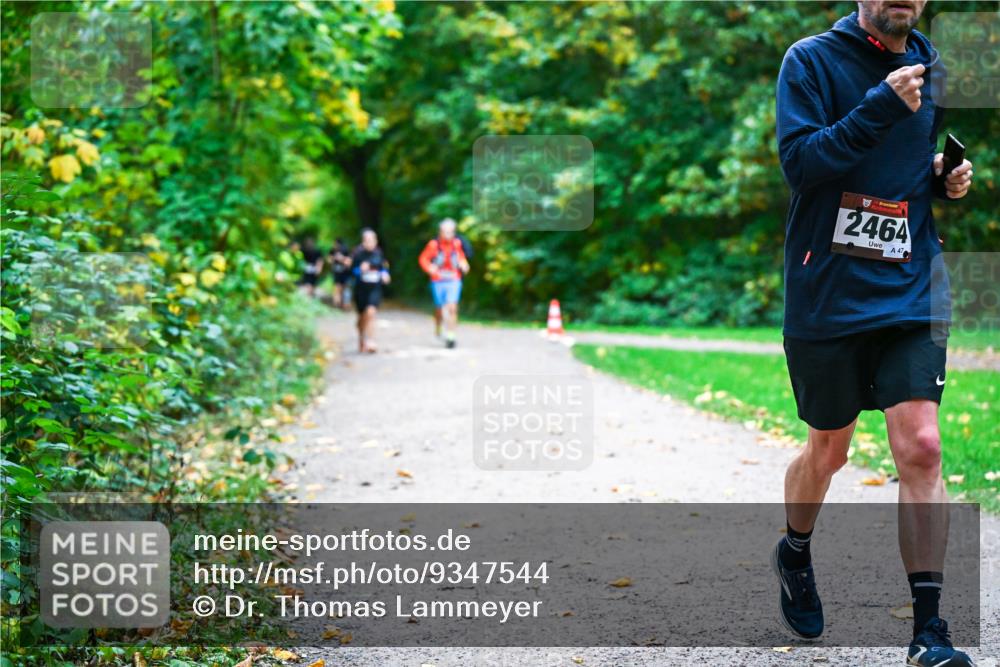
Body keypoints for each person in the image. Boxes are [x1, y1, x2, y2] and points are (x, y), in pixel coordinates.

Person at [773, 2, 974, 665]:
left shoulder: (931, 66)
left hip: (911, 286)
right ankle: (795, 549)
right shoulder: (810, 61)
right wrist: (881, 104)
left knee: (921, 443)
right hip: (828, 292)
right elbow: (803, 165)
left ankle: (930, 630)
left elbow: (905, 171)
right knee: (827, 451)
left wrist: (942, 182)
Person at [418, 218, 469, 349]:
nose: (448, 234)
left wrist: (464, 264)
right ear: (440, 232)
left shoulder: (457, 244)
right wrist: (429, 268)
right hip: (438, 280)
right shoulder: (433, 245)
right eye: (445, 232)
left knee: (452, 307)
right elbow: (423, 259)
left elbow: (461, 257)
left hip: (453, 279)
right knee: (440, 309)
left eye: (450, 232)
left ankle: (451, 335)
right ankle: (438, 326)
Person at [350, 228, 390, 353]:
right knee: (362, 317)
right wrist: (359, 270)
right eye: (367, 240)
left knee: (371, 312)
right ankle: (362, 337)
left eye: (372, 240)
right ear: (363, 242)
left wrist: (385, 274)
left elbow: (384, 267)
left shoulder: (379, 253)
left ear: (376, 241)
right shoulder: (357, 254)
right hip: (361, 290)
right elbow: (351, 271)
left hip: (375, 288)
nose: (370, 243)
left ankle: (371, 340)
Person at [329, 237, 352, 310]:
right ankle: (337, 303)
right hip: (337, 272)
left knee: (345, 288)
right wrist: (333, 258)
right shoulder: (332, 251)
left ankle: (345, 304)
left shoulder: (346, 250)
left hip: (345, 272)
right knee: (337, 287)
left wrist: (342, 259)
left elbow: (349, 262)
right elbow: (329, 260)